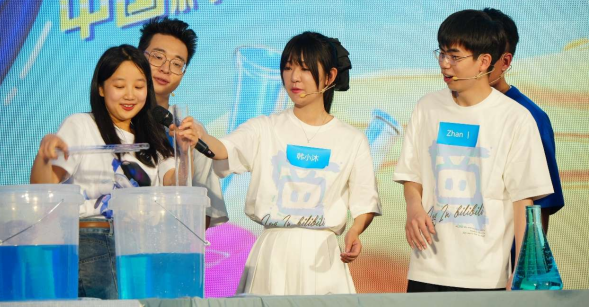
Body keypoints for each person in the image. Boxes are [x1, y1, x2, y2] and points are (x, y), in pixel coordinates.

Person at [175, 31, 381, 295]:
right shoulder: (265, 127)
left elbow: (365, 200)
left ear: (329, 76)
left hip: (322, 255)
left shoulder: (351, 139)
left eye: (305, 68)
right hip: (273, 253)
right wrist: (201, 136)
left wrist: (355, 231)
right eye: (288, 67)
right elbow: (224, 149)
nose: (294, 77)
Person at [393, 10, 554, 292]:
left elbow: (523, 201)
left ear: (484, 61)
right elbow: (412, 175)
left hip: (485, 276)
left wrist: (520, 273)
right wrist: (414, 207)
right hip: (426, 269)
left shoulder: (515, 118)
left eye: (455, 57)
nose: (445, 64)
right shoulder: (427, 107)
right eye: (442, 54)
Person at [30, 45, 181, 299]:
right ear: (101, 88)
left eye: (139, 86)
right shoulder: (81, 125)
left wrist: (184, 151)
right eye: (119, 86)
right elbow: (43, 188)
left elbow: (176, 185)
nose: (130, 95)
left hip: (143, 243)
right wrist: (44, 157)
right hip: (95, 239)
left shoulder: (155, 137)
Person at [138, 16, 227, 228]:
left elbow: (206, 213)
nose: (166, 69)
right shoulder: (113, 121)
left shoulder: (190, 130)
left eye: (177, 64)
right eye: (158, 57)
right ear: (138, 57)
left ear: (183, 73)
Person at [483, 7, 564, 234]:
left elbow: (540, 204)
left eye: (484, 56)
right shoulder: (451, 109)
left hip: (505, 252)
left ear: (505, 61)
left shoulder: (531, 117)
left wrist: (527, 257)